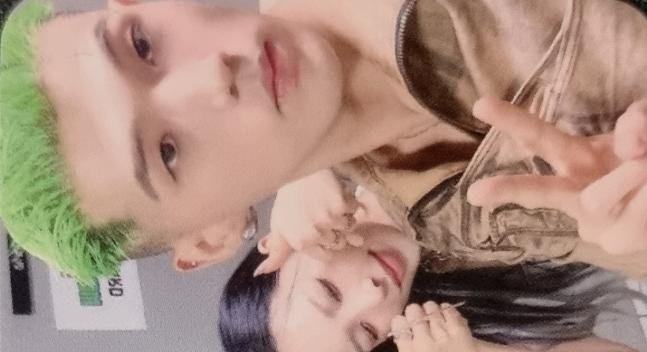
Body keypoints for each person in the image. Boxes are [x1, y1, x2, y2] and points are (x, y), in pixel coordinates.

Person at [3, 0, 647, 282]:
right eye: (167, 152)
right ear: (210, 237)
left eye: (142, 45)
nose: (212, 76)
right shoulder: (444, 221)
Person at [219, 180, 647, 352]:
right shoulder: (453, 298)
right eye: (367, 332)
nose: (373, 295)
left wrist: (306, 162)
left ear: (285, 242)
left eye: (329, 290)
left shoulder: (367, 148)